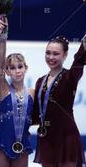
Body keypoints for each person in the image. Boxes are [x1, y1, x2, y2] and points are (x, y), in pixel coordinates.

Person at [32, 35, 86, 167]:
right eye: (48, 53)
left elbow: (79, 61)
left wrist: (84, 44)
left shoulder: (70, 77)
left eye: (56, 54)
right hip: (46, 137)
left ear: (65, 55)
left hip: (66, 136)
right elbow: (36, 113)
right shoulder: (40, 81)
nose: (51, 57)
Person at [0, 15, 34, 167]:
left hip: (22, 143)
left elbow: (35, 116)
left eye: (20, 66)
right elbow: (0, 62)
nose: (17, 71)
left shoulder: (32, 92)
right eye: (12, 68)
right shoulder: (3, 88)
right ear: (7, 71)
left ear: (26, 68)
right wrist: (3, 39)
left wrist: (26, 126)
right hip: (2, 143)